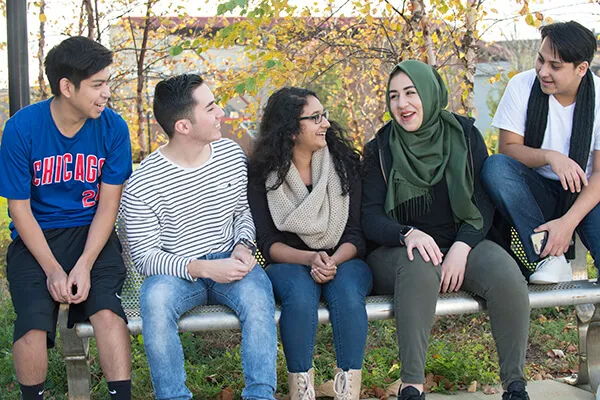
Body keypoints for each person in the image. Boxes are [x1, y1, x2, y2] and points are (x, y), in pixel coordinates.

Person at [361, 60, 531, 400]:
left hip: (461, 242)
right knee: (419, 263)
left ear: (430, 92)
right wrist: (406, 233)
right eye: (393, 96)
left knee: (504, 274)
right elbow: (370, 216)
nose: (402, 104)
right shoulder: (381, 149)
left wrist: (462, 247)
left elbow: (483, 202)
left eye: (411, 93)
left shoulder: (465, 136)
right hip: (398, 251)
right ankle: (412, 385)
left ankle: (515, 385)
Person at [120, 74, 277, 400]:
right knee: (155, 299)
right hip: (177, 274)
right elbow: (145, 257)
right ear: (184, 126)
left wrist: (243, 246)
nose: (221, 113)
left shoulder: (230, 156)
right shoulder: (143, 183)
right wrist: (202, 268)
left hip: (230, 262)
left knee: (259, 295)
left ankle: (261, 395)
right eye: (210, 108)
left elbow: (241, 213)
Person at [0, 36, 133, 400]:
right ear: (66, 87)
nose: (106, 93)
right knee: (32, 324)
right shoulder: (21, 128)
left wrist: (85, 264)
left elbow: (109, 207)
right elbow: (19, 209)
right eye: (97, 85)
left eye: (107, 82)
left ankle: (121, 395)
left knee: (107, 312)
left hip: (93, 234)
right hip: (37, 237)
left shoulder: (113, 128)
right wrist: (54, 269)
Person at [248, 87, 373, 400]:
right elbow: (267, 242)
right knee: (300, 294)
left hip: (344, 258)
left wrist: (331, 260)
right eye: (315, 117)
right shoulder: (263, 174)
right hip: (289, 263)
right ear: (291, 129)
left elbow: (356, 234)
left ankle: (348, 392)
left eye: (324, 115)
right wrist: (308, 259)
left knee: (346, 291)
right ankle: (301, 392)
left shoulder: (343, 165)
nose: (326, 123)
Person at [481, 21, 600, 284]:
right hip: (536, 192)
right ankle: (549, 258)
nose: (543, 71)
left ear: (581, 69)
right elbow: (508, 151)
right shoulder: (521, 86)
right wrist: (550, 157)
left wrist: (567, 223)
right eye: (540, 60)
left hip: (588, 196)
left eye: (555, 66)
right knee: (496, 167)